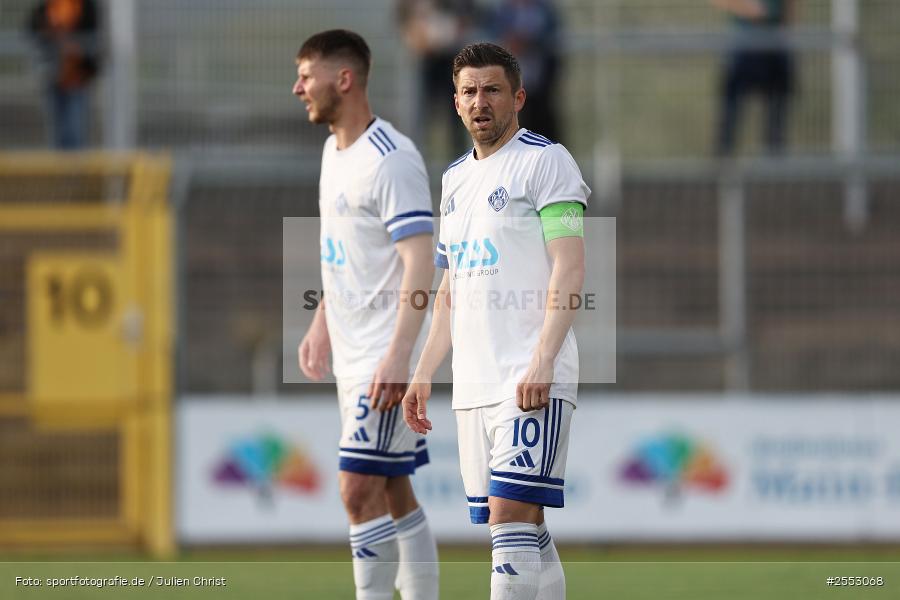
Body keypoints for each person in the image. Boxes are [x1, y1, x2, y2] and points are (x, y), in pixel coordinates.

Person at [402, 42, 589, 600]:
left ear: (518, 98)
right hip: (475, 384)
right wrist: (423, 369)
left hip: (530, 376)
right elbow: (450, 288)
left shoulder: (545, 161)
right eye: (468, 92)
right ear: (455, 103)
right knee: (518, 523)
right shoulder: (455, 179)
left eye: (491, 90)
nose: (479, 102)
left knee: (510, 515)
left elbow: (571, 268)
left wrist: (543, 360)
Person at [293, 29, 439, 600]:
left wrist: (400, 354)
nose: (298, 87)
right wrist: (321, 319)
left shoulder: (392, 158)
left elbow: (420, 261)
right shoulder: (334, 151)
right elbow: (347, 252)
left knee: (356, 491)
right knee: (393, 492)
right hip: (352, 357)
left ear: (344, 79)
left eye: (307, 76)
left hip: (382, 355)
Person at [712, 0, 799, 156]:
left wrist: (788, 31)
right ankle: (723, 166)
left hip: (776, 44)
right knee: (731, 115)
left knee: (776, 115)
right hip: (744, 45)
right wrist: (749, 9)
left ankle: (774, 166)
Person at [396, 0, 476, 162]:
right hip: (425, 60)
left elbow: (469, 17)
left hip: (452, 58)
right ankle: (414, 160)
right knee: (421, 114)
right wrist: (415, 36)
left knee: (457, 114)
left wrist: (455, 31)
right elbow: (402, 17)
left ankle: (461, 162)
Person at [27, 0, 101, 150]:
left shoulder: (85, 6)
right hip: (55, 77)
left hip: (77, 78)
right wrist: (47, 28)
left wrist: (78, 49)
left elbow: (92, 36)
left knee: (75, 130)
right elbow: (33, 25)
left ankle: (75, 170)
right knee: (58, 132)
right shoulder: (49, 6)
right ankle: (60, 170)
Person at [489, 0, 562, 143]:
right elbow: (491, 33)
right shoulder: (502, 10)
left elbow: (552, 38)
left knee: (541, 117)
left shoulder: (543, 10)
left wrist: (528, 42)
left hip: (538, 77)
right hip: (511, 73)